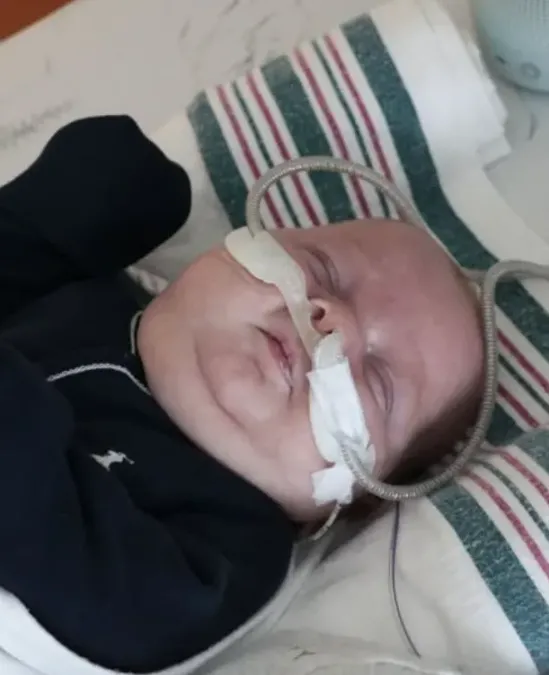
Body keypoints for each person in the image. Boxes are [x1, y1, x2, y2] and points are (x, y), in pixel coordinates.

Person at [0, 115, 484, 673]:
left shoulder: (233, 546)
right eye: (322, 271)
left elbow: (109, 597)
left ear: (347, 501)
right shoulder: (89, 294)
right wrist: (87, 201)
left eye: (377, 382)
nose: (333, 323)